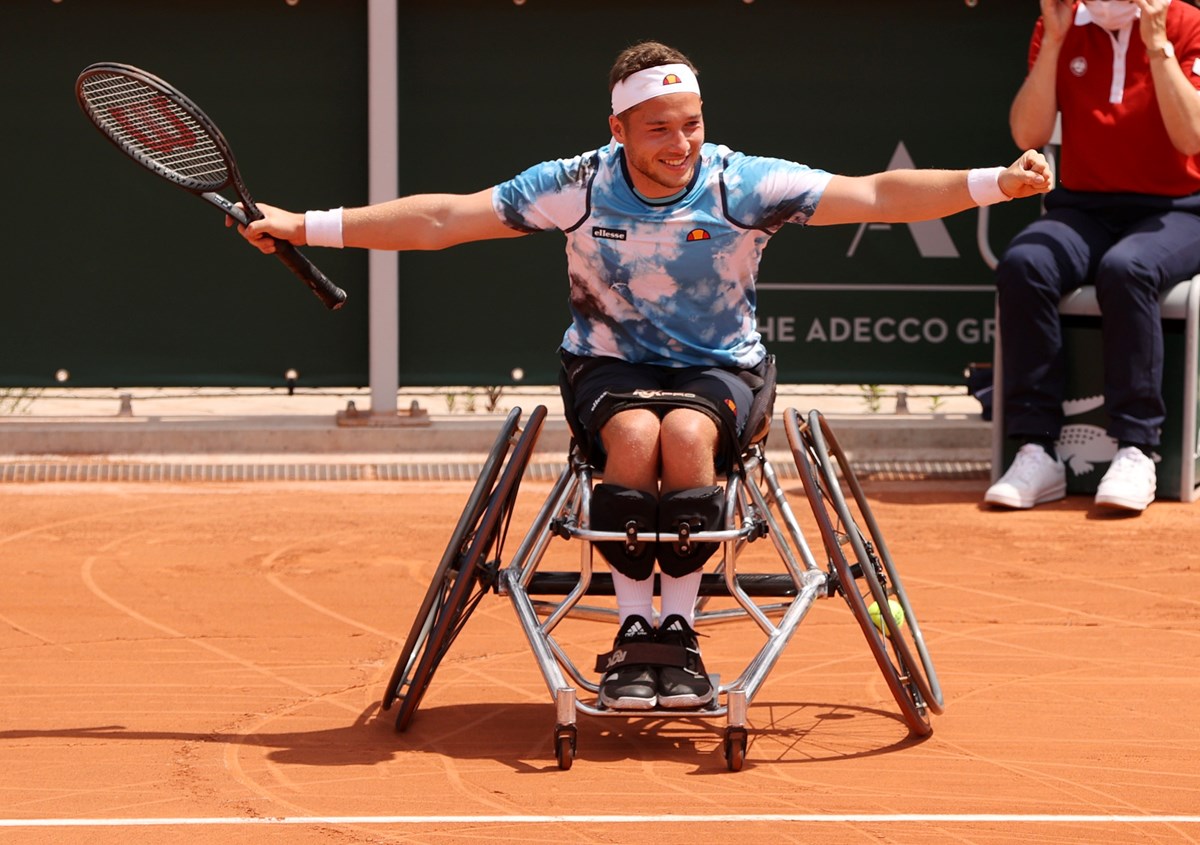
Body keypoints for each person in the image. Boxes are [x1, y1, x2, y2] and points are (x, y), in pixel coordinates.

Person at [234, 41, 1052, 711]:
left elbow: (875, 193)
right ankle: (636, 632)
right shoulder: (577, 185)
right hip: (608, 365)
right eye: (658, 128)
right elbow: (446, 217)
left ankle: (680, 632)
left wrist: (995, 183)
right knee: (632, 434)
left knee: (688, 435)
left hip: (721, 369)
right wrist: (305, 224)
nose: (680, 144)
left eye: (691, 124)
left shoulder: (742, 183)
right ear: (618, 129)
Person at [985, 0, 1200, 513]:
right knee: (1025, 263)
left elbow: (1190, 136)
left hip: (1181, 208)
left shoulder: (1187, 23)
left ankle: (1137, 448)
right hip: (1085, 206)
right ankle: (1036, 448)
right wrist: (1055, 40)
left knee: (1128, 269)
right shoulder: (1061, 22)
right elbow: (1027, 135)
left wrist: (1156, 44)